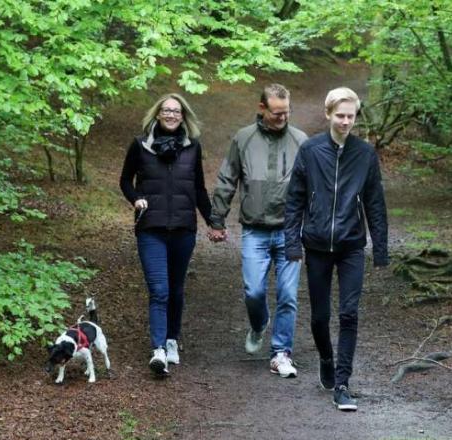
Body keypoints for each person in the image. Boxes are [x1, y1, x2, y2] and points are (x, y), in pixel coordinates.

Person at [284, 87, 389, 411]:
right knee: (319, 317)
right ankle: (326, 358)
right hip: (316, 244)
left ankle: (342, 383)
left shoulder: (365, 154)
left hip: (351, 245)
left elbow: (374, 202)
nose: (345, 122)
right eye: (340, 115)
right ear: (328, 114)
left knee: (349, 313)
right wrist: (292, 243)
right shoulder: (311, 150)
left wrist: (381, 248)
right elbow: (295, 199)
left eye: (351, 116)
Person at [207, 83, 309, 379]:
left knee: (288, 293)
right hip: (255, 230)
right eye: (277, 113)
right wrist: (217, 220)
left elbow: (315, 186)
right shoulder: (244, 138)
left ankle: (281, 352)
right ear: (261, 108)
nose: (282, 118)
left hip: (291, 230)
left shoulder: (301, 140)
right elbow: (227, 179)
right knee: (254, 291)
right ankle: (259, 322)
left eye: (286, 112)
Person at [119, 93, 211, 376]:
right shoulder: (140, 145)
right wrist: (135, 198)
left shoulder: (192, 148)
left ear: (183, 116)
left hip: (184, 229)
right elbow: (125, 181)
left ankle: (172, 340)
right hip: (151, 229)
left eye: (176, 111)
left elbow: (198, 189)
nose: (171, 115)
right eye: (166, 110)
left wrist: (213, 222)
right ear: (157, 115)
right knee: (159, 290)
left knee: (177, 289)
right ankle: (158, 349)